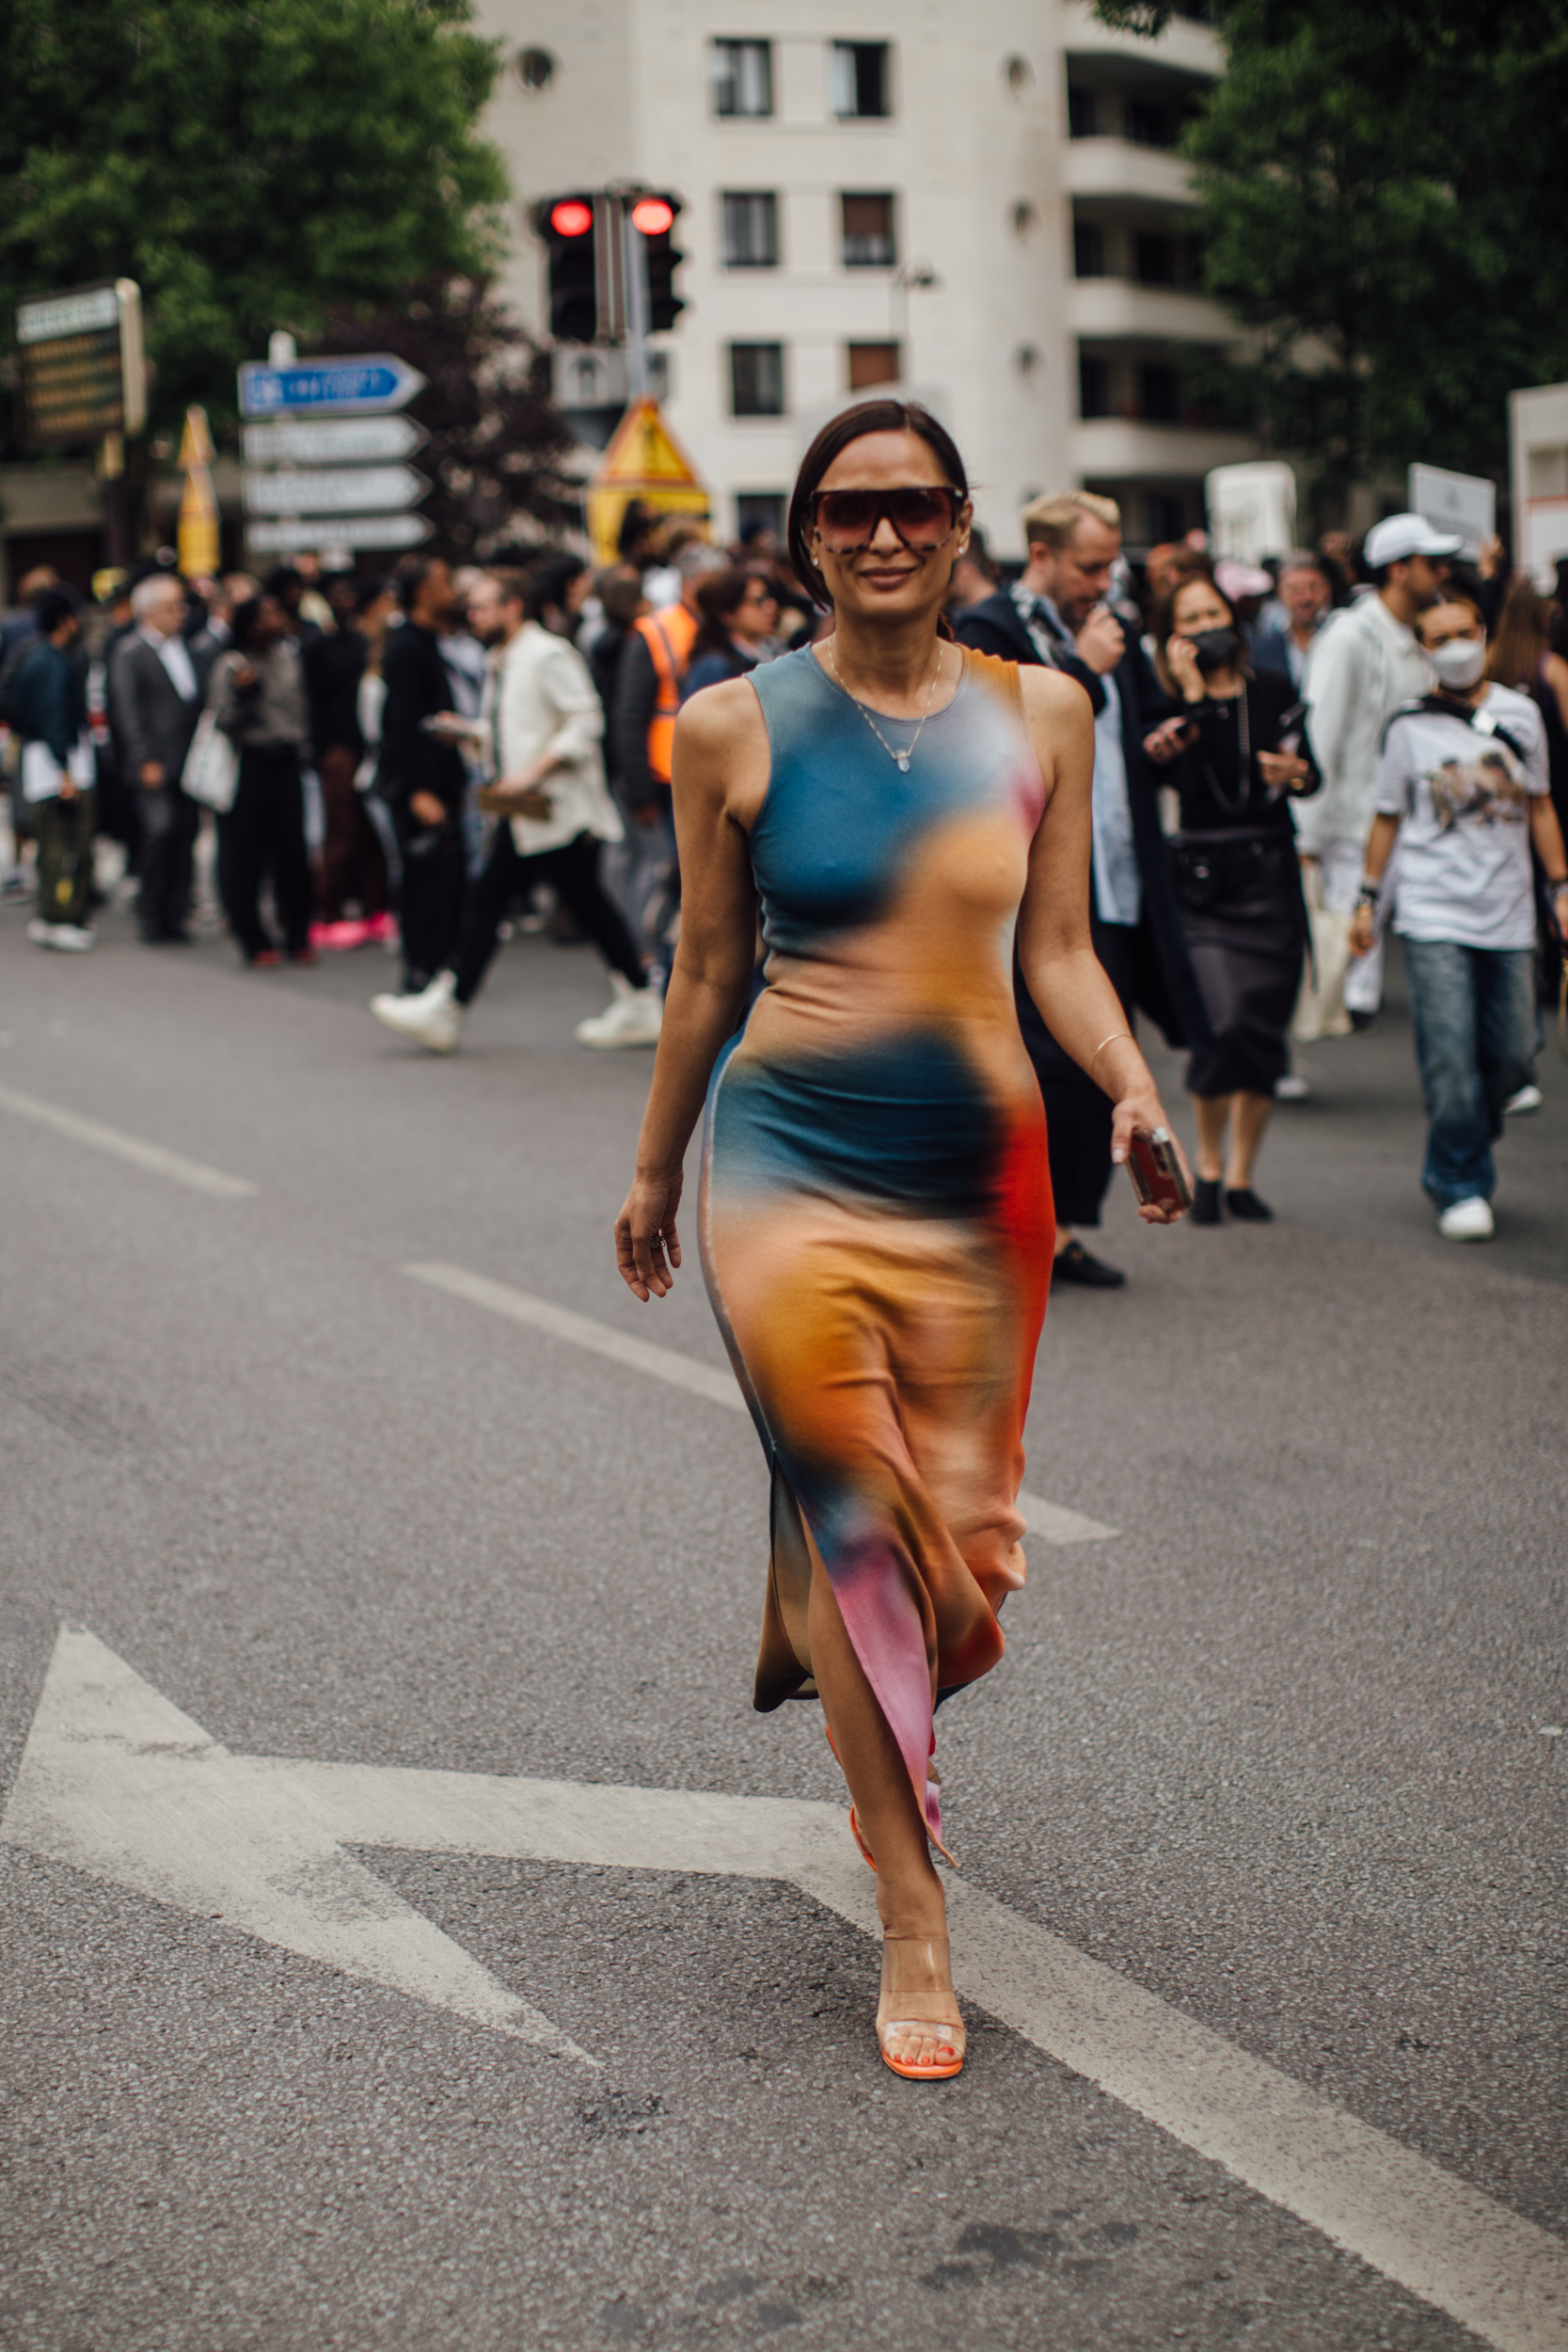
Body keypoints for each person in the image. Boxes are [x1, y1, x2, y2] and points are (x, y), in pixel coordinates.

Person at [614, 400, 1188, 2080]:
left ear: (959, 528)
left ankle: (822, 1601)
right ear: (805, 536)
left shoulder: (1048, 713)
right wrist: (655, 1170)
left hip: (979, 1177)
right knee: (869, 1529)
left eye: (914, 505)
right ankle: (915, 1914)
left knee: (967, 1554)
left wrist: (1133, 1093)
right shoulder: (725, 726)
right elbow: (706, 973)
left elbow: (1063, 950)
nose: (882, 534)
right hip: (785, 1163)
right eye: (847, 509)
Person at [956, 491, 1210, 1287]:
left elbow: (1139, 719)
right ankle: (1035, 1225)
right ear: (1042, 557)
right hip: (1036, 885)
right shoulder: (991, 628)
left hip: (1117, 870)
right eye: (1090, 565)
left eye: (1111, 565)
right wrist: (1083, 671)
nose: (1105, 581)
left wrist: (1166, 732)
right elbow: (998, 740)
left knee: (1107, 1047)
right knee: (1048, 1067)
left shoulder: (1116, 628)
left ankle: (1065, 1222)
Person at [370, 571, 659, 1054]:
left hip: (552, 809)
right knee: (579, 901)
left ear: (513, 606)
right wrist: (472, 733)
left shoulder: (545, 654)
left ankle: (448, 1004)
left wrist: (530, 773)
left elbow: (586, 718)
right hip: (535, 812)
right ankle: (637, 996)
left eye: (483, 605)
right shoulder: (507, 658)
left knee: (491, 901)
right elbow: (521, 727)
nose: (473, 614)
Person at [1353, 595, 1568, 1240]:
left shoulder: (1520, 714)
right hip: (1431, 911)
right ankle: (1457, 1180)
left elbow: (1538, 806)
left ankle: (1464, 1137)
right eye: (1437, 638)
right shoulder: (1407, 726)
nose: (1453, 646)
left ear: (1482, 635)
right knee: (1449, 1057)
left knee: (1510, 1056)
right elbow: (1387, 817)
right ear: (1421, 651)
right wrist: (1367, 898)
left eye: (1462, 633)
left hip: (1505, 913)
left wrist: (1560, 886)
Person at [1148, 574, 1321, 1221]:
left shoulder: (1271, 688)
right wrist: (1193, 697)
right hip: (1201, 883)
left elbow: (1311, 771)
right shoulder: (1162, 700)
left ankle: (1241, 1175)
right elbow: (1181, 776)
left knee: (1260, 1028)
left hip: (1268, 872)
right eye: (1187, 619)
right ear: (1170, 635)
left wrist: (1297, 774)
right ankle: (1209, 1165)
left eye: (1211, 613)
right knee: (1218, 1025)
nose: (1202, 626)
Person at [1301, 514, 1460, 1024]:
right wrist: (1308, 833)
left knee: (1363, 946)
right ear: (1398, 569)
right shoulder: (1352, 636)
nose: (1442, 574)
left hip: (1398, 821)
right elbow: (1319, 733)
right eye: (1431, 563)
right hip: (1352, 824)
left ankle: (1352, 1008)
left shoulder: (1414, 637)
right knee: (1344, 945)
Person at [376, 557, 470, 993]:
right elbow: (402, 724)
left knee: (445, 880)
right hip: (421, 788)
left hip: (441, 782)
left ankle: (437, 970)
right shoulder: (407, 649)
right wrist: (418, 790)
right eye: (444, 583)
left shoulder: (430, 642)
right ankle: (421, 972)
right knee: (425, 880)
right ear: (423, 593)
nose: (453, 591)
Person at [208, 594, 315, 967]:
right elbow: (221, 719)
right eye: (268, 613)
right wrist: (244, 694)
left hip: (286, 762)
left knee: (293, 853)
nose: (277, 617)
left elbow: (300, 710)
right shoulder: (232, 664)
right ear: (251, 625)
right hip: (251, 764)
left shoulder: (288, 658)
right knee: (247, 857)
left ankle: (297, 933)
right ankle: (253, 938)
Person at [110, 573, 207, 944]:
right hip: (156, 761)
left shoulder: (187, 648)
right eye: (172, 607)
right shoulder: (131, 652)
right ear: (150, 611)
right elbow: (129, 712)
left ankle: (177, 912)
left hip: (187, 759)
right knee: (160, 832)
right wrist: (143, 758)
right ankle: (152, 912)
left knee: (185, 835)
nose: (180, 613)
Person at [304, 575, 389, 946]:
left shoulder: (362, 643)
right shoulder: (316, 647)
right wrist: (324, 750)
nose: (344, 601)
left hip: (365, 748)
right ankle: (330, 911)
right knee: (339, 833)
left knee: (371, 834)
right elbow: (311, 702)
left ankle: (375, 906)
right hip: (337, 752)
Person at [12, 587, 96, 950]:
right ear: (66, 621)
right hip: (58, 765)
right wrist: (65, 770)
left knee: (51, 843)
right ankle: (60, 917)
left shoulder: (32, 655)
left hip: (43, 762)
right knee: (66, 845)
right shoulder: (52, 661)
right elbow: (54, 717)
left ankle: (51, 916)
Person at [682, 568, 780, 698]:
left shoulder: (770, 651)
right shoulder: (715, 666)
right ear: (727, 614)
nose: (770, 607)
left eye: (769, 598)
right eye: (758, 601)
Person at [1255, 552, 1334, 691]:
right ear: (1280, 594)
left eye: (1313, 588)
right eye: (1295, 590)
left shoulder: (1340, 636)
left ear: (1326, 589)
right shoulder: (1265, 649)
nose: (1306, 598)